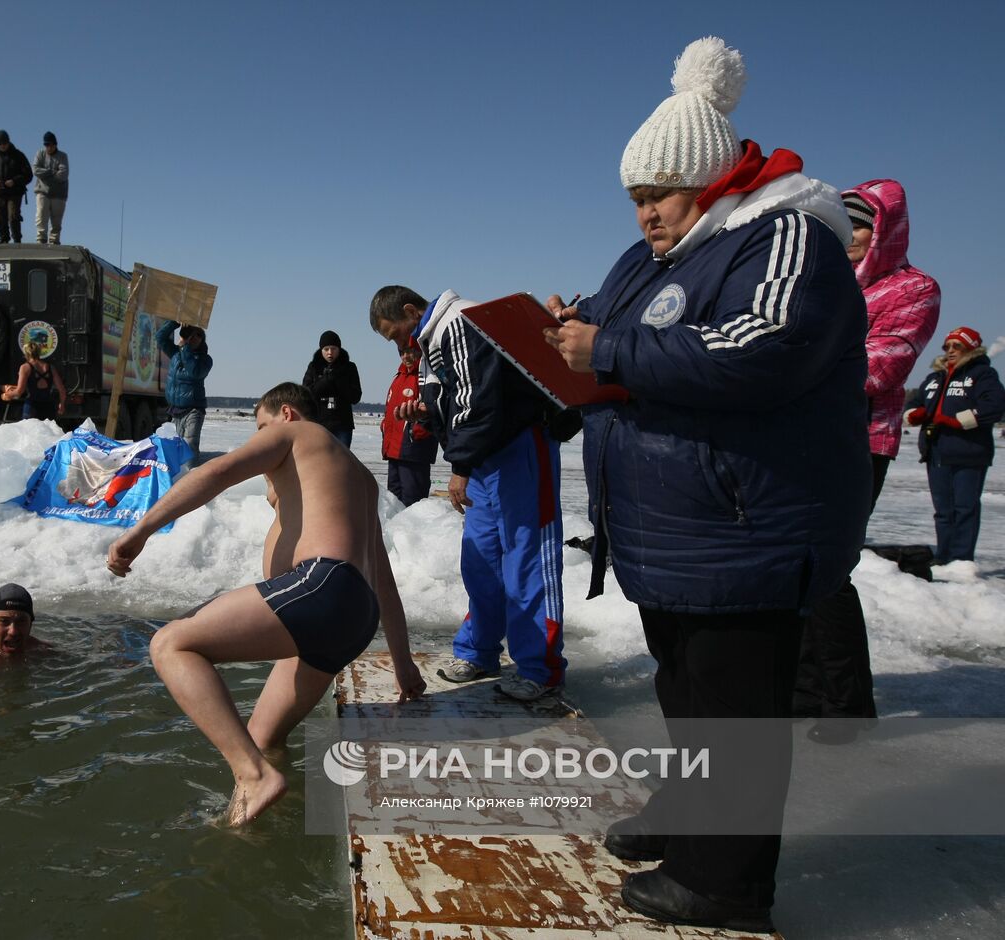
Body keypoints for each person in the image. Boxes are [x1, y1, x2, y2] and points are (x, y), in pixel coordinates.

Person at [543, 37, 869, 932]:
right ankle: (688, 821)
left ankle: (726, 885)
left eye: (659, 195)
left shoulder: (789, 235)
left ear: (713, 179)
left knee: (736, 715)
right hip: (673, 530)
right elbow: (613, 331)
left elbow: (763, 351)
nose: (645, 214)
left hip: (748, 527)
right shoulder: (655, 256)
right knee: (684, 691)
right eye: (635, 199)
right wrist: (570, 330)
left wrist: (604, 348)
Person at [106, 382, 426, 826]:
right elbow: (384, 584)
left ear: (287, 414)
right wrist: (402, 663)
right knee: (259, 739)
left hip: (320, 585)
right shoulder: (356, 478)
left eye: (260, 426)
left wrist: (139, 532)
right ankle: (252, 824)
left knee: (171, 644)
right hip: (352, 616)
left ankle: (255, 778)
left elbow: (215, 474)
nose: (259, 436)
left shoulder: (295, 434)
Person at [370, 286, 572, 704]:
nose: (397, 343)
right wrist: (427, 416)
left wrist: (459, 465)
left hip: (517, 451)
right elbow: (454, 399)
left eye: (394, 333)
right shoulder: (429, 342)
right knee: (481, 559)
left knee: (526, 560)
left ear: (412, 310)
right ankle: (479, 650)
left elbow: (480, 401)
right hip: (484, 459)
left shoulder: (459, 321)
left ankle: (541, 669)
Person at [794, 181, 941, 745]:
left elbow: (879, 370)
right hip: (797, 439)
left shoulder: (913, 289)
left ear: (884, 230)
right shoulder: (818, 281)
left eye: (859, 224)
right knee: (793, 568)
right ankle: (803, 691)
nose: (850, 235)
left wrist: (785, 370)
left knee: (829, 570)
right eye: (843, 223)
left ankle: (846, 705)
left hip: (857, 442)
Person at [907, 326, 1004, 564]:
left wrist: (958, 421)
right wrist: (914, 414)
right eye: (947, 346)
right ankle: (943, 557)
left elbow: (994, 406)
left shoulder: (982, 375)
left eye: (956, 346)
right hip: (936, 452)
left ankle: (961, 561)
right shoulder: (934, 377)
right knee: (943, 512)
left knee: (964, 509)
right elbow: (915, 403)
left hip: (968, 453)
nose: (950, 350)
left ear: (971, 348)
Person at [380, 344, 438, 506]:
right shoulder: (398, 377)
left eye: (410, 352)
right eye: (402, 352)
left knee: (412, 502)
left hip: (413, 450)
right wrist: (385, 426)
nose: (406, 356)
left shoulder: (426, 376)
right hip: (394, 450)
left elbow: (434, 409)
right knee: (393, 501)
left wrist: (417, 431)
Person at [156, 320, 212, 466]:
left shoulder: (204, 360)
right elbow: (160, 338)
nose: (193, 339)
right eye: (191, 335)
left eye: (198, 336)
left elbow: (194, 371)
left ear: (202, 340)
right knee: (175, 450)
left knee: (189, 450)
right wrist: (175, 322)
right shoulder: (176, 354)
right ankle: (176, 482)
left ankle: (192, 482)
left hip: (193, 410)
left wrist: (185, 347)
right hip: (175, 411)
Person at [302, 330, 362, 448]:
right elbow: (305, 394)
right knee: (319, 459)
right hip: (319, 423)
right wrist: (325, 381)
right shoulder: (314, 367)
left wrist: (338, 380)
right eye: (326, 349)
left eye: (333, 349)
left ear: (339, 349)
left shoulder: (349, 367)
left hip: (342, 424)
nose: (330, 353)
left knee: (342, 461)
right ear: (321, 350)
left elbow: (355, 396)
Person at [0, 129, 33, 244]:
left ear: (9, 142)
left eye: (5, 143)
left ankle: (17, 240)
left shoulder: (19, 156)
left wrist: (14, 181)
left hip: (15, 192)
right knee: (0, 215)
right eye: (1, 144)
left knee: (13, 215)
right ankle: (3, 240)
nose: (4, 146)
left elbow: (28, 175)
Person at [2, 343, 67, 421]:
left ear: (26, 353)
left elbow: (19, 391)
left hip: (32, 407)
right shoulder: (50, 367)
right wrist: (62, 404)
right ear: (39, 352)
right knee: (48, 432)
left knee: (29, 432)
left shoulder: (25, 367)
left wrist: (7, 394)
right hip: (48, 407)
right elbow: (62, 389)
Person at [32, 131, 69, 245]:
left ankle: (54, 241)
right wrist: (52, 172)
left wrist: (46, 174)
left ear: (55, 144)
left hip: (59, 194)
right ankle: (41, 239)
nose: (49, 147)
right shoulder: (40, 154)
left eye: (51, 145)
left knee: (56, 221)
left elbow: (63, 175)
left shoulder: (63, 156)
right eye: (46, 145)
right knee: (41, 216)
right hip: (42, 191)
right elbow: (35, 170)